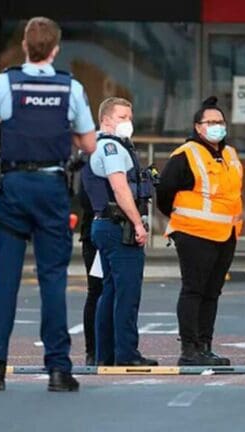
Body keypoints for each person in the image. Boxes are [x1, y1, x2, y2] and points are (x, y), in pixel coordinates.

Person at [0, 16, 96, 392]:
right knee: (52, 279)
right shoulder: (70, 88)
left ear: (25, 45)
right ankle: (58, 369)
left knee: (5, 279)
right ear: (56, 49)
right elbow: (89, 145)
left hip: (13, 184)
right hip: (52, 186)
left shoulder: (4, 83)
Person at [156, 96, 242, 366]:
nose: (217, 126)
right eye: (211, 122)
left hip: (225, 233)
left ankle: (205, 346)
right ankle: (189, 349)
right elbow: (164, 191)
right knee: (193, 289)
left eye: (220, 122)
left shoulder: (229, 154)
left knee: (212, 292)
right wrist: (181, 219)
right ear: (198, 127)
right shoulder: (186, 154)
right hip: (194, 232)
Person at [82, 97, 158, 367]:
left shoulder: (100, 145)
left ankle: (107, 355)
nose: (128, 122)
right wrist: (138, 223)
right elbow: (120, 188)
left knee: (111, 291)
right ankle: (126, 353)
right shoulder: (111, 146)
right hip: (118, 226)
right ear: (105, 120)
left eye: (129, 116)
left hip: (105, 224)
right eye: (122, 117)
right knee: (126, 293)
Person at [76, 149, 104, 366]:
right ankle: (93, 350)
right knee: (96, 290)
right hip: (95, 232)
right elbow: (85, 197)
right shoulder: (92, 156)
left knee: (114, 291)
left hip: (115, 231)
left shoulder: (126, 150)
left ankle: (109, 347)